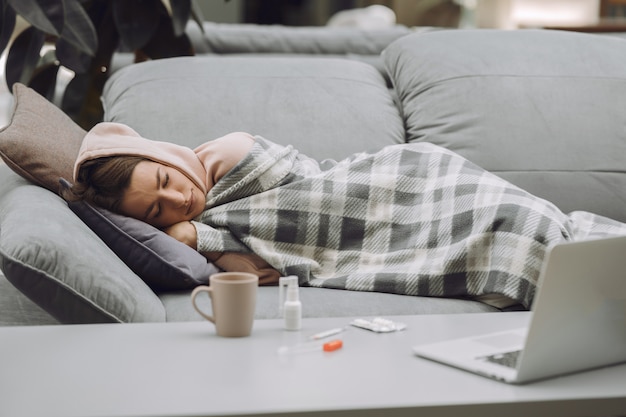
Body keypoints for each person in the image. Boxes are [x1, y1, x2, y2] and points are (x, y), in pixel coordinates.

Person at [65, 122, 626, 309]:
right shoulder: (196, 225)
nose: (177, 202)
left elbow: (306, 203)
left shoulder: (231, 154)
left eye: (166, 181)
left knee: (512, 222)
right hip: (380, 227)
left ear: (165, 157)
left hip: (411, 182)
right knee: (544, 255)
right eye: (157, 213)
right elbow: (266, 263)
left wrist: (202, 233)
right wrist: (207, 239)